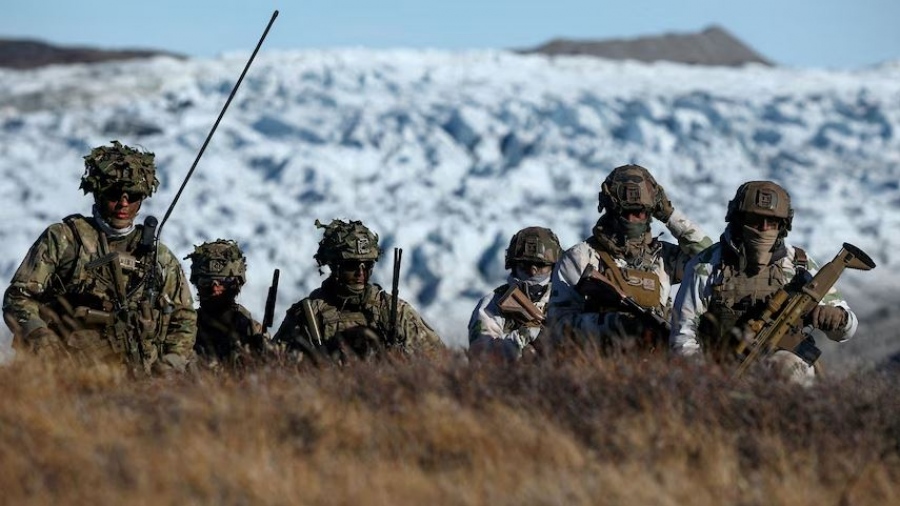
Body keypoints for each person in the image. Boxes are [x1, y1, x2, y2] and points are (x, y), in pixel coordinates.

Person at [2, 140, 196, 374]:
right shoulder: (65, 239)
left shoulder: (159, 257)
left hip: (139, 381)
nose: (123, 203)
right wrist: (41, 338)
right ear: (98, 192)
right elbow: (18, 297)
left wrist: (170, 363)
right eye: (114, 194)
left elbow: (183, 318)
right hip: (62, 375)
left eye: (132, 195)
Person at [670, 180, 859, 384]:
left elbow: (847, 330)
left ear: (783, 226)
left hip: (781, 366)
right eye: (755, 220)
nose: (764, 228)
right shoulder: (707, 265)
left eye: (772, 222)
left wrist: (837, 318)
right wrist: (705, 378)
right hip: (721, 369)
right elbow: (683, 333)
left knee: (793, 370)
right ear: (738, 220)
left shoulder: (798, 265)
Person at [545, 164, 712, 353]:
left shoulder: (664, 257)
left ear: (650, 212)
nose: (633, 219)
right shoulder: (582, 257)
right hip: (598, 367)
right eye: (625, 212)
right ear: (610, 210)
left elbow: (710, 260)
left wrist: (669, 215)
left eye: (640, 212)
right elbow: (558, 326)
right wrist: (612, 324)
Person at [274, 219, 444, 362]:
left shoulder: (394, 311)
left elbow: (439, 358)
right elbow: (277, 365)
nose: (360, 273)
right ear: (335, 266)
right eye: (351, 266)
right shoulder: (308, 314)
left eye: (367, 265)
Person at [468, 226, 562, 361]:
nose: (533, 271)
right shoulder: (492, 304)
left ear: (554, 267)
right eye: (526, 265)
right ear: (513, 265)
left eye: (541, 265)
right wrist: (522, 337)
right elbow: (480, 355)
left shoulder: (565, 299)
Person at [185, 239, 270, 369]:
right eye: (206, 282)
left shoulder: (252, 330)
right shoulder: (183, 329)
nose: (215, 289)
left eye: (224, 282)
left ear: (236, 284)